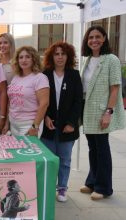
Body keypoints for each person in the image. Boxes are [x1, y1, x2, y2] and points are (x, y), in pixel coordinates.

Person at [79, 25, 125, 200]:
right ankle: (92, 182)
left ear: (104, 38)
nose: (94, 40)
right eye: (91, 37)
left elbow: (115, 88)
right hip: (88, 110)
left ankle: (104, 187)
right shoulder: (88, 60)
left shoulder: (111, 59)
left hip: (102, 111)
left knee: (102, 149)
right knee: (93, 148)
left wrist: (109, 112)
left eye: (98, 36)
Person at [40, 41, 83, 202]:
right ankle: (48, 187)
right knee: (50, 159)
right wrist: (45, 116)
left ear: (68, 56)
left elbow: (78, 102)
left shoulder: (74, 75)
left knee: (65, 160)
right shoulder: (44, 74)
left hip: (68, 126)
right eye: (56, 54)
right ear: (52, 56)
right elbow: (41, 100)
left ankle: (62, 188)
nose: (59, 57)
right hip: (48, 125)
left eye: (63, 54)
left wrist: (72, 123)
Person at [6, 46, 49, 136]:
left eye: (27, 57)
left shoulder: (40, 78)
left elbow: (44, 103)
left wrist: (35, 126)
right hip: (13, 124)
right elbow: (11, 102)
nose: (24, 60)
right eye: (21, 57)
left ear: (34, 59)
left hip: (28, 125)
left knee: (28, 150)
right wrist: (7, 122)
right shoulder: (16, 78)